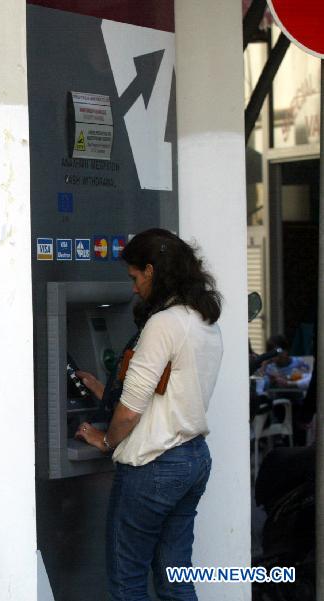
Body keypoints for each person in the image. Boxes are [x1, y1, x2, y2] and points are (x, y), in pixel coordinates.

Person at [75, 228, 223, 601]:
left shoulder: (163, 323)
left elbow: (131, 410)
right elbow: (172, 391)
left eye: (135, 277)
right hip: (191, 459)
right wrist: (101, 389)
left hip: (153, 465)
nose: (133, 288)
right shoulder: (203, 321)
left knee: (128, 581)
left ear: (152, 270)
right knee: (175, 580)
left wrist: (105, 440)